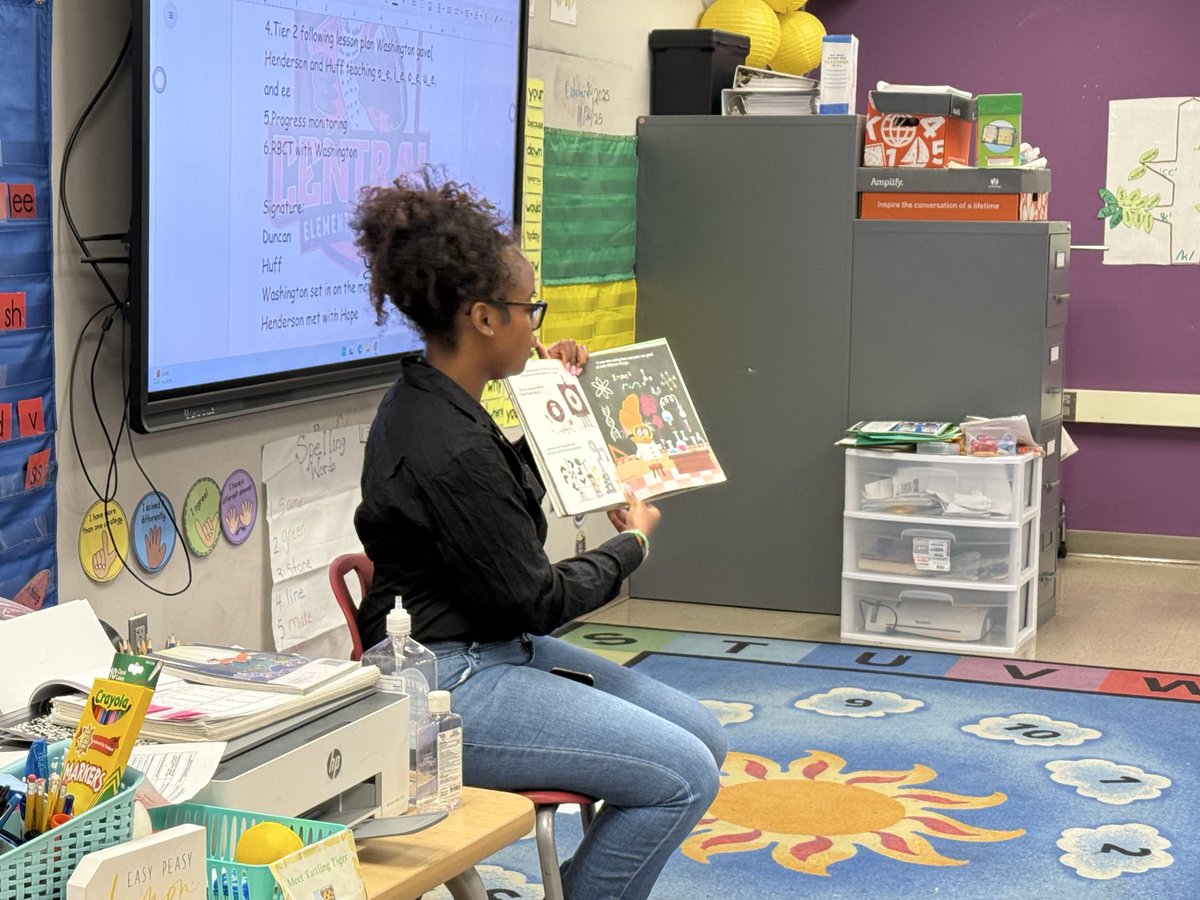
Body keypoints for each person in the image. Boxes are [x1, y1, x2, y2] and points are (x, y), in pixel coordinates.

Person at [351, 172, 725, 899]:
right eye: (532, 309)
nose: (540, 325)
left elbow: (497, 495)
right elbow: (535, 598)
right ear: (485, 316)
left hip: (488, 647)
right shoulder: (446, 443)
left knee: (700, 736)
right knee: (683, 776)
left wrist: (564, 408)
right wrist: (633, 548)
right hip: (447, 683)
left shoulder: (444, 404)